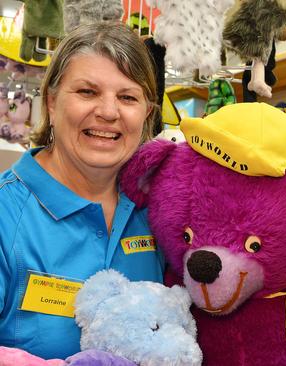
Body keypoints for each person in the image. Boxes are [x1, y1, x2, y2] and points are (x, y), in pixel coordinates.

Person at [0, 22, 164, 360]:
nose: (107, 112)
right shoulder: (6, 215)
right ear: (51, 103)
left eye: (127, 97)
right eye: (87, 92)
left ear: (146, 114)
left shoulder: (160, 211)